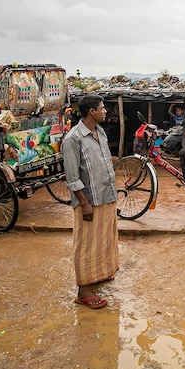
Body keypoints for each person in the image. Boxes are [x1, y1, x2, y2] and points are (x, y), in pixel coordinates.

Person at [61, 95, 118, 309]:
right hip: (89, 201)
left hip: (106, 195)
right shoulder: (73, 139)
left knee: (104, 239)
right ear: (91, 112)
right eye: (102, 108)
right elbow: (73, 177)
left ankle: (99, 275)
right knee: (85, 244)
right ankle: (83, 290)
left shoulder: (100, 132)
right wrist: (84, 203)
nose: (105, 112)